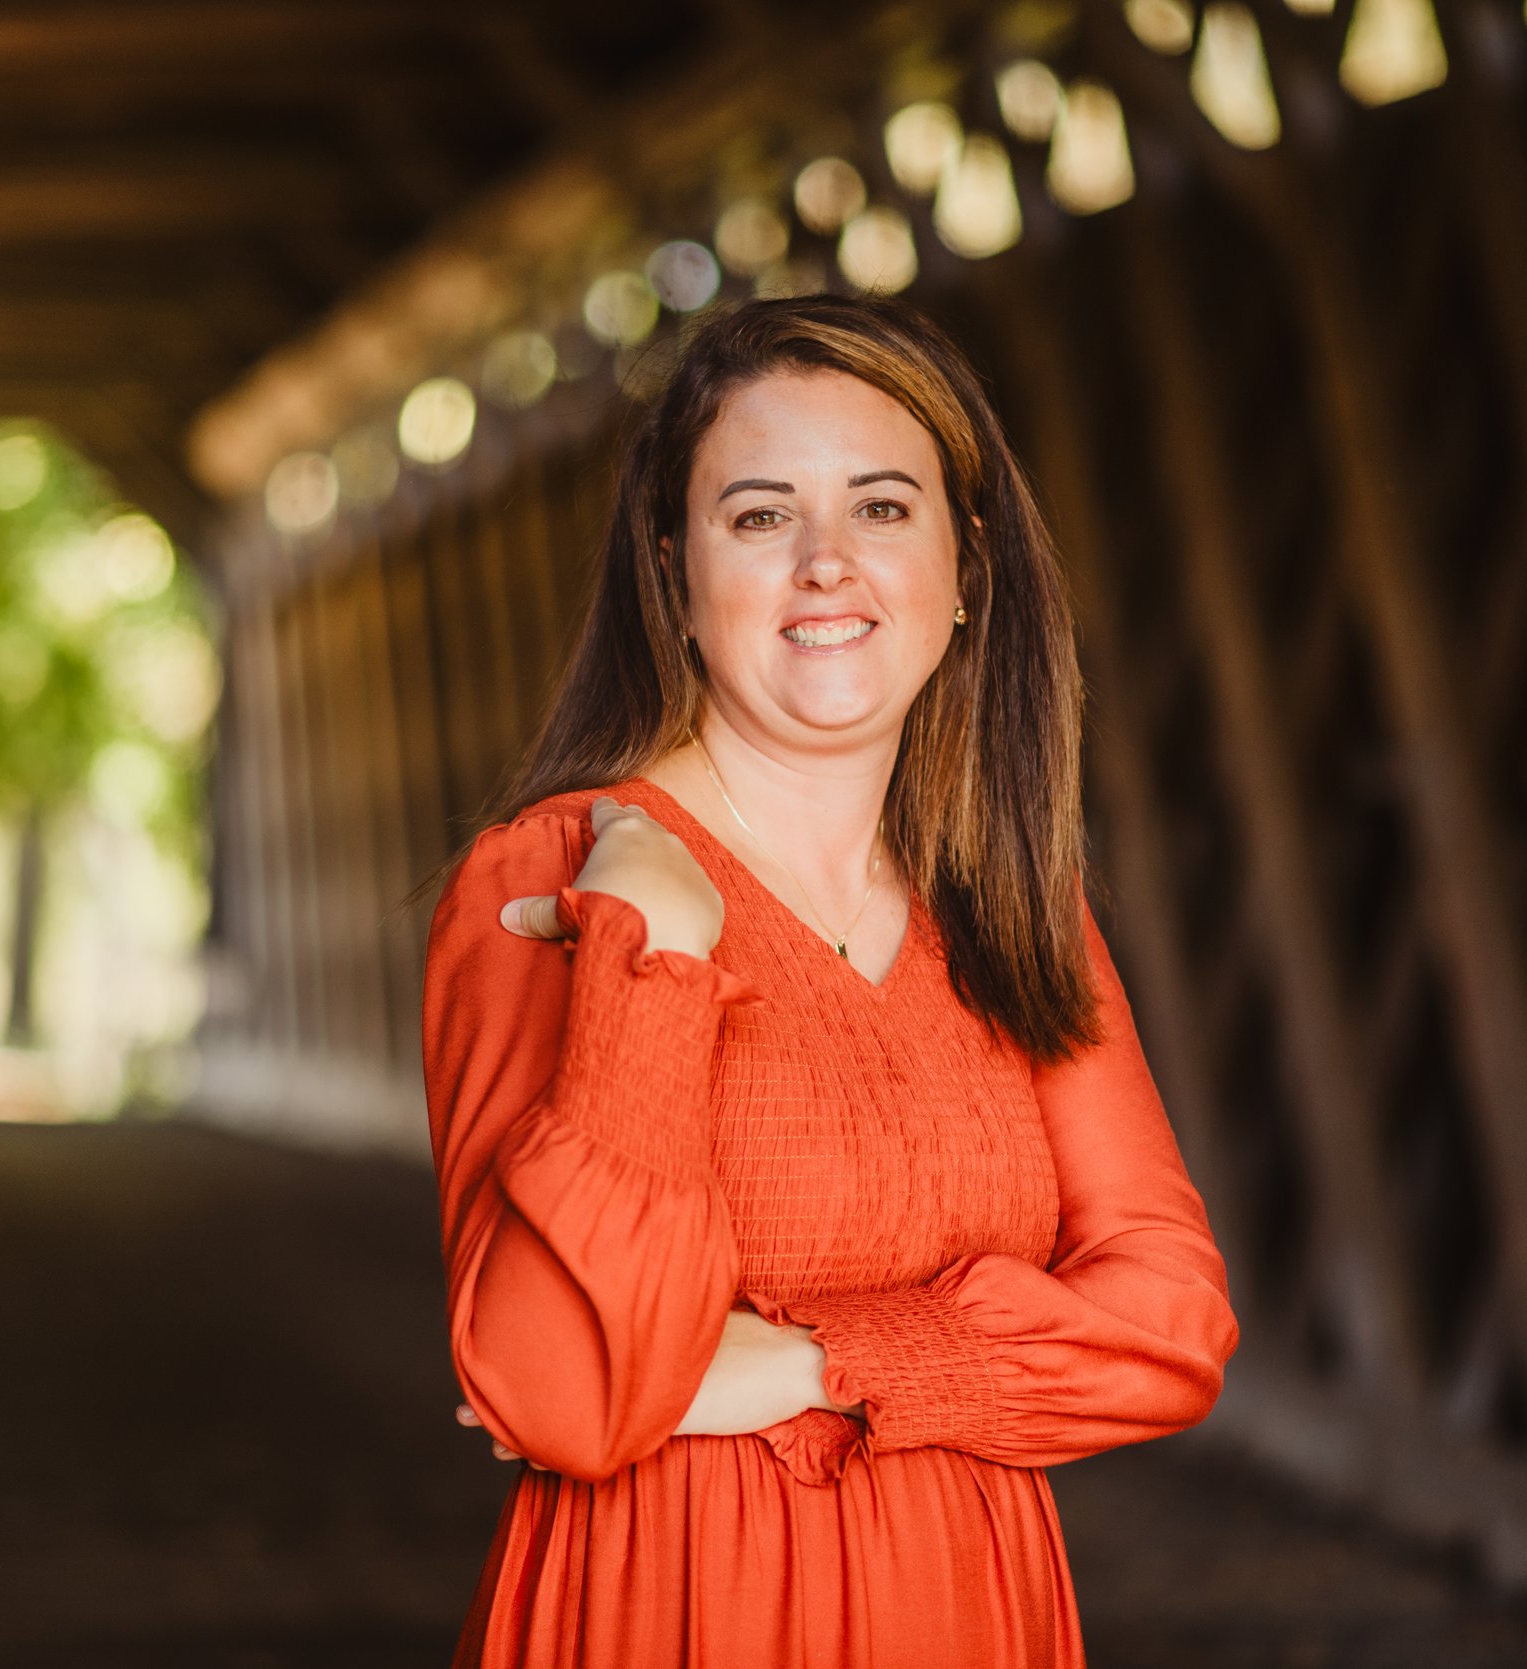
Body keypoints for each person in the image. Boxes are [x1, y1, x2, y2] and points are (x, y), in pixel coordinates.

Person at [419, 292, 1240, 1669]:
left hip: (971, 1612)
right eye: (758, 516)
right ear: (672, 572)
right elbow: (563, 1390)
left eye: (880, 508)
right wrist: (658, 955)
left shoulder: (1013, 908)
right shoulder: (548, 889)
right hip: (675, 1612)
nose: (825, 563)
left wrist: (813, 1365)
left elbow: (1172, 1325)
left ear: (967, 567)